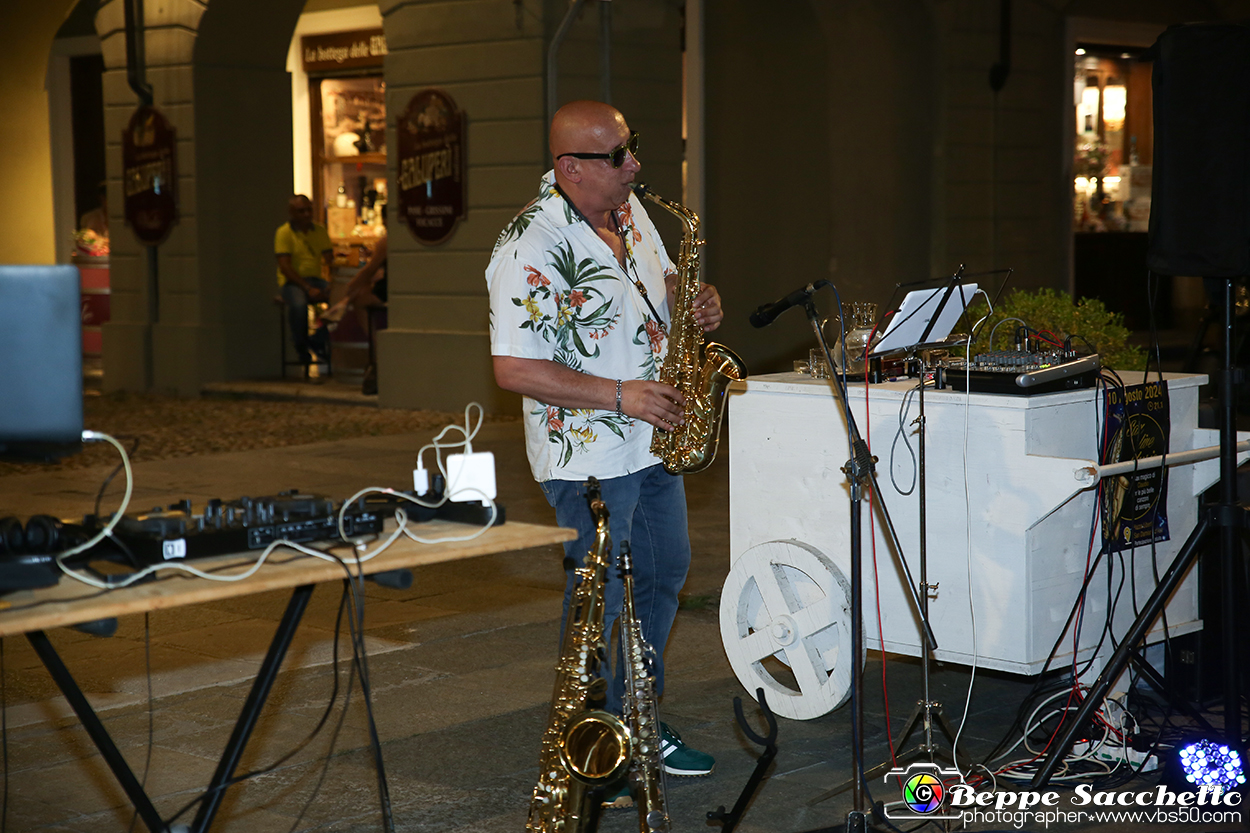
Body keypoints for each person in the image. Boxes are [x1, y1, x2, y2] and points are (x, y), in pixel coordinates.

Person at [485, 100, 724, 804]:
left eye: (632, 147)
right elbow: (514, 368)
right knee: (601, 599)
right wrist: (623, 394)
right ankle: (587, 749)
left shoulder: (629, 212)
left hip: (652, 439)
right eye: (619, 155)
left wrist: (696, 301)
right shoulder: (528, 246)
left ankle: (635, 721)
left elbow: (660, 287)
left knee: (663, 572)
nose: (636, 165)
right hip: (586, 452)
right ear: (571, 168)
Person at [274, 195, 333, 373]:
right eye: (301, 211)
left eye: (309, 210)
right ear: (292, 213)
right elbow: (285, 266)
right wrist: (307, 288)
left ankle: (317, 339)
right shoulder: (284, 233)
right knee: (299, 306)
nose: (307, 214)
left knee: (342, 300)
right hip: (293, 281)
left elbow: (330, 259)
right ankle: (301, 346)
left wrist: (332, 282)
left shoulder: (320, 231)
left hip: (315, 278)